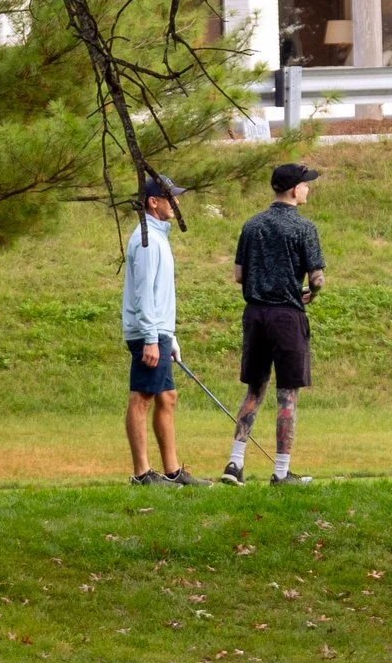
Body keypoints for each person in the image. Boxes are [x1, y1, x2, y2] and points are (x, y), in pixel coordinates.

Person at [224, 162, 325, 486]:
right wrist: (312, 292)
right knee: (287, 396)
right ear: (295, 189)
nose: (308, 188)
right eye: (306, 184)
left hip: (255, 315)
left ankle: (235, 464)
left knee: (255, 389)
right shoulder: (303, 228)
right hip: (286, 317)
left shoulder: (252, 225)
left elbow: (239, 275)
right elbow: (318, 278)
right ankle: (281, 471)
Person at [122, 174, 199, 486]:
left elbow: (159, 293)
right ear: (153, 201)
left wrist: (170, 337)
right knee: (142, 398)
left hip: (159, 332)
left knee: (167, 397)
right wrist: (153, 339)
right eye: (171, 197)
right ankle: (142, 474)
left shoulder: (158, 237)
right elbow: (143, 295)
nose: (177, 203)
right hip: (146, 334)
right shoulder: (145, 239)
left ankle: (173, 472)